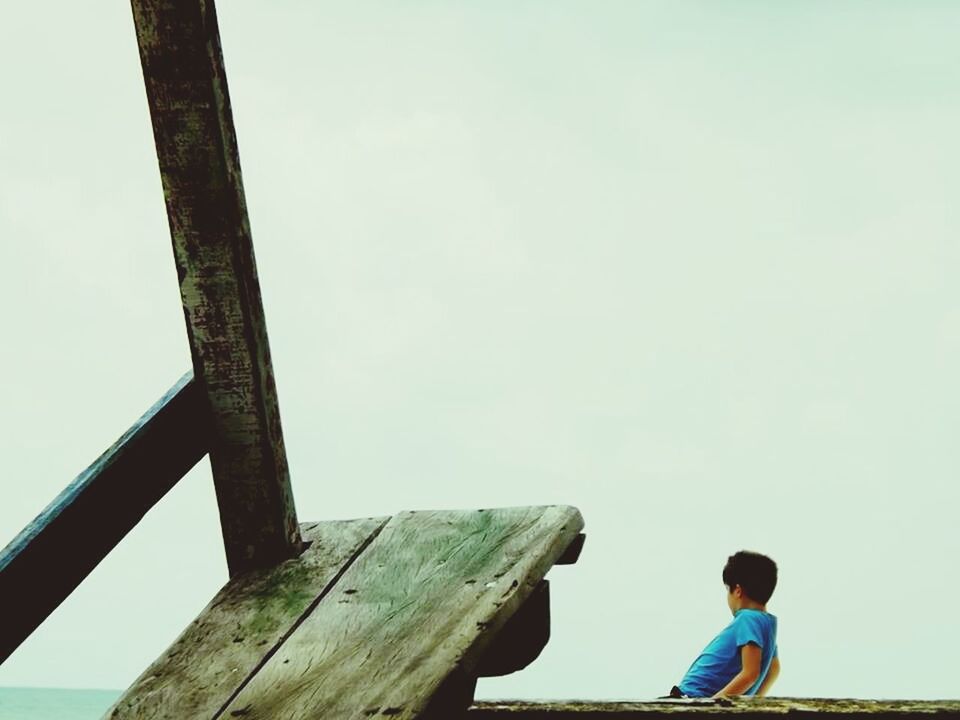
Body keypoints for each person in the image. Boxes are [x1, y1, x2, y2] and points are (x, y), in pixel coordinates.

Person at [666, 551, 780, 699]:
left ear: (737, 591)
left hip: (693, 696)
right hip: (699, 700)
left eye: (728, 589)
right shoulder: (767, 626)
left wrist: (711, 707)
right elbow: (773, 670)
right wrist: (749, 705)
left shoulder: (748, 618)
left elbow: (750, 674)